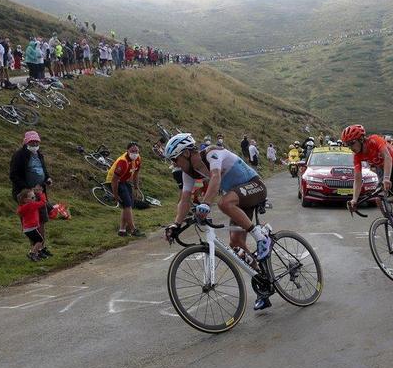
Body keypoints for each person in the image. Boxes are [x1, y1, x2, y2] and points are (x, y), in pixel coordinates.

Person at [163, 133, 273, 310]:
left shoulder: (211, 153)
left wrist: (206, 203)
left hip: (255, 186)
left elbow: (216, 177)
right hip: (239, 197)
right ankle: (263, 282)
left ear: (185, 153)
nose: (174, 165)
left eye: (175, 160)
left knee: (224, 203)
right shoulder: (188, 172)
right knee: (236, 244)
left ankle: (262, 238)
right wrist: (176, 224)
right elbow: (184, 200)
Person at [9, 131, 53, 258]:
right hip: (26, 195)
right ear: (26, 142)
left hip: (40, 192)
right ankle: (34, 250)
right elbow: (14, 175)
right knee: (32, 223)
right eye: (32, 142)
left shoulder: (39, 154)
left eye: (36, 142)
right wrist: (28, 189)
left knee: (42, 220)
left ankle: (41, 248)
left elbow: (44, 170)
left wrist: (48, 179)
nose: (34, 144)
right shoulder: (19, 155)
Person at [106, 142, 144, 237]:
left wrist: (136, 187)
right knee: (127, 205)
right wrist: (115, 195)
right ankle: (133, 229)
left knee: (127, 204)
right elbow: (114, 180)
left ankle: (122, 230)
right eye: (132, 151)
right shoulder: (123, 162)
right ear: (127, 151)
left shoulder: (138, 159)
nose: (135, 153)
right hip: (114, 182)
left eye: (136, 151)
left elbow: (136, 174)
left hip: (123, 181)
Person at [17, 187, 47, 261]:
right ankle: (32, 253)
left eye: (35, 196)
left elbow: (19, 211)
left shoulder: (22, 207)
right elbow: (43, 202)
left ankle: (35, 254)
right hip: (32, 227)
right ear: (26, 200)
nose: (34, 198)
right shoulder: (31, 205)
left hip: (26, 229)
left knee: (35, 242)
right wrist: (40, 194)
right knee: (40, 240)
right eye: (33, 197)